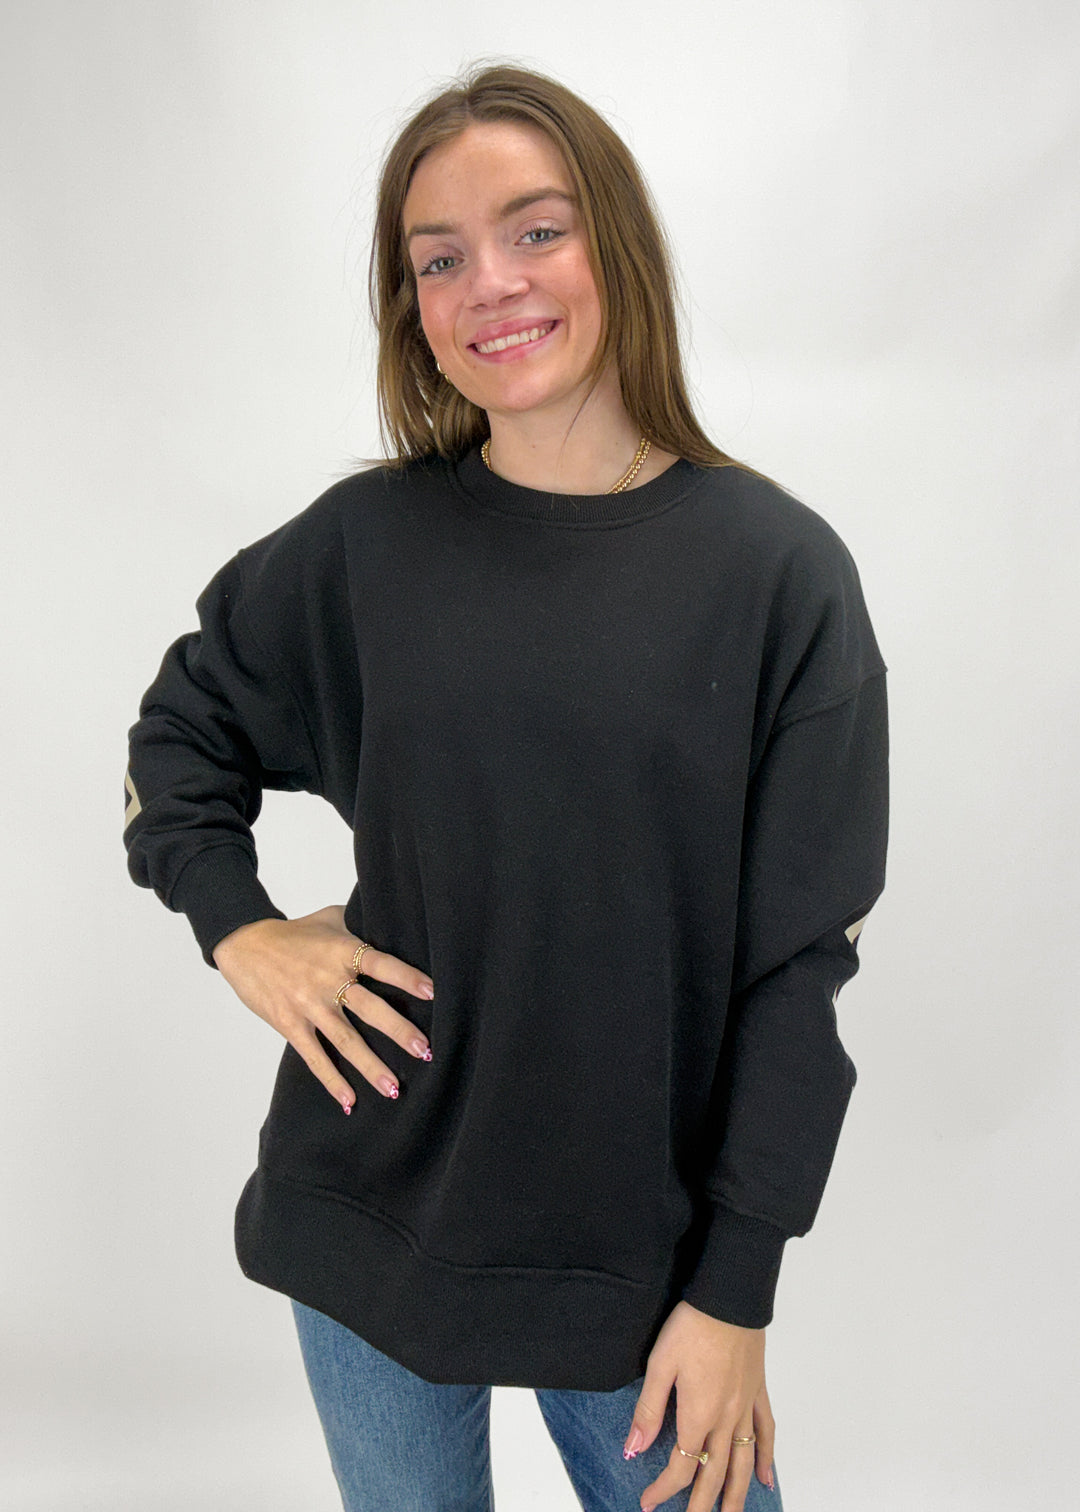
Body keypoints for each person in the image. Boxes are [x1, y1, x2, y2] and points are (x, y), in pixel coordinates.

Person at [123, 59, 888, 1512]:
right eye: (438, 258)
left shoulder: (778, 576)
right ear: (410, 305)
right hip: (366, 1220)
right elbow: (180, 734)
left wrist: (736, 1295)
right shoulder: (366, 548)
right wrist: (243, 927)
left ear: (616, 243)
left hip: (640, 1269)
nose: (493, 283)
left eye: (536, 230)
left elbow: (797, 972)